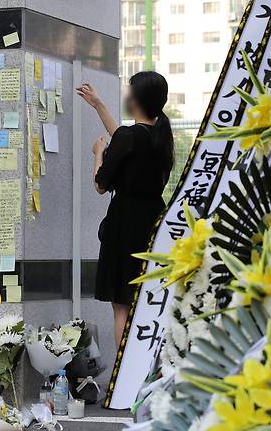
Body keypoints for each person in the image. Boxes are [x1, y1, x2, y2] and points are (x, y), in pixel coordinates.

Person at [76, 72, 174, 350]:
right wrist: (98, 105)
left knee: (122, 308)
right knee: (145, 302)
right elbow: (122, 136)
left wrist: (98, 153)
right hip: (154, 223)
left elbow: (100, 185)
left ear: (136, 100)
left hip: (125, 226)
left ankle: (122, 382)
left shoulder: (130, 138)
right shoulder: (161, 137)